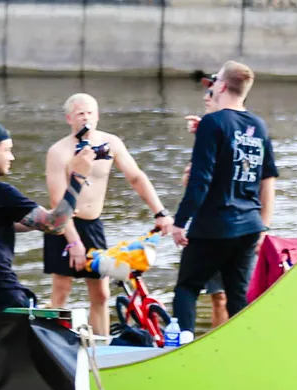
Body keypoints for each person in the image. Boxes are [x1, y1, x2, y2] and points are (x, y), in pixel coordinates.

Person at [44, 93, 172, 335]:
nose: (85, 118)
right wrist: (74, 242)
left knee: (101, 293)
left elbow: (136, 177)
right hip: (64, 224)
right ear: (69, 118)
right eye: (80, 113)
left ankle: (102, 346)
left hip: (93, 224)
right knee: (61, 289)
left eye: (90, 112)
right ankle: (50, 339)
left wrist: (160, 212)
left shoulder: (110, 143)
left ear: (98, 115)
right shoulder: (58, 151)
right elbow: (56, 200)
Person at [167, 62, 278, 334]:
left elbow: (200, 180)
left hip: (216, 224)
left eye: (215, 79)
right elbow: (267, 179)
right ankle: (243, 351)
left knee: (187, 287)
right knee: (238, 298)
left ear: (223, 86)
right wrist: (264, 225)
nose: (212, 84)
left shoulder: (213, 123)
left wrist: (180, 221)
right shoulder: (258, 126)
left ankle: (183, 350)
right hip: (249, 226)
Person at [0, 121, 93, 310]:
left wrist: (47, 217)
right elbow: (55, 226)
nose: (11, 157)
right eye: (7, 150)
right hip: (0, 299)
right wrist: (77, 177)